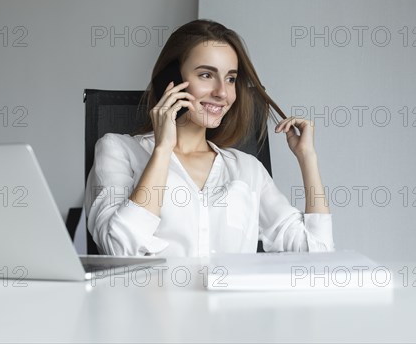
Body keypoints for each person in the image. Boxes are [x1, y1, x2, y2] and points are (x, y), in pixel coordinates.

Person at [85, 19, 334, 257]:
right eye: (206, 75)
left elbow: (317, 253)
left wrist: (307, 158)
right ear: (170, 80)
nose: (222, 92)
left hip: (232, 302)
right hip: (152, 301)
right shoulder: (118, 150)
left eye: (231, 79)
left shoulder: (247, 169)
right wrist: (162, 150)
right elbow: (118, 248)